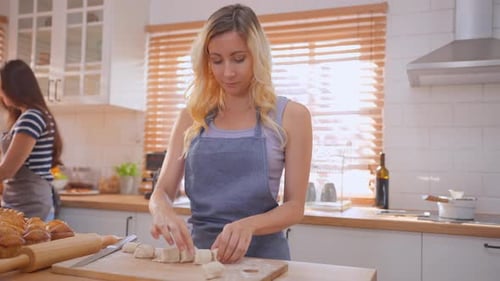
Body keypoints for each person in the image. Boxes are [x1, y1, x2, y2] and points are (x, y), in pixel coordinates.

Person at [149, 4, 312, 263]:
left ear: (257, 56)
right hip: (199, 258)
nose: (228, 72)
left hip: (265, 259)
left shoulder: (292, 116)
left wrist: (248, 225)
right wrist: (162, 210)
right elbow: (162, 191)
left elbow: (295, 208)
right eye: (217, 60)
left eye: (238, 58)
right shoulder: (191, 117)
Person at [0, 59, 63, 221]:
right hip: (20, 202)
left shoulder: (31, 117)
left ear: (14, 88)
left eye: (2, 87)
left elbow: (7, 170)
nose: (0, 92)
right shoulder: (27, 116)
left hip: (30, 205)